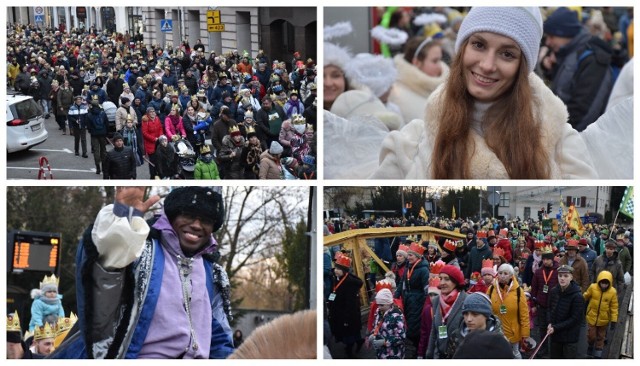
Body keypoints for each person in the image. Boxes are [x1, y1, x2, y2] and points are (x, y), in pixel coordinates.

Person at [370, 7, 597, 179]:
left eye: (507, 54)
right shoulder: (413, 141)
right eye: (479, 45)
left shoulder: (560, 141)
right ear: (462, 48)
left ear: (523, 67)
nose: (488, 65)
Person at [50, 187, 234, 358]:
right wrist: (122, 220)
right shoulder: (139, 252)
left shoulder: (213, 272)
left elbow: (218, 334)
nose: (196, 225)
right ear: (171, 216)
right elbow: (103, 281)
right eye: (189, 215)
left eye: (207, 220)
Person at [541, 7, 613, 131]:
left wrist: (556, 136)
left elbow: (585, 113)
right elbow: (564, 86)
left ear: (565, 33)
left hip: (574, 139)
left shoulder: (593, 60)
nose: (547, 42)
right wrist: (549, 68)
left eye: (551, 36)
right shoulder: (569, 52)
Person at [388, 35, 449, 122]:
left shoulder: (444, 88)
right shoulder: (398, 97)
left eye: (440, 59)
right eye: (434, 61)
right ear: (416, 62)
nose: (440, 67)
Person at [395, 242, 429, 358]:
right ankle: (417, 346)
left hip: (418, 301)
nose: (408, 257)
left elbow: (426, 289)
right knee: (410, 323)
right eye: (408, 255)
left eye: (411, 255)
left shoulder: (424, 270)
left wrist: (425, 304)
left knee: (415, 326)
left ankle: (419, 349)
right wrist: (396, 295)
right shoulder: (408, 267)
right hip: (408, 300)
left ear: (418, 257)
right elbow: (402, 282)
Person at [487, 264, 529, 358]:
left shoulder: (518, 291)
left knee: (514, 353)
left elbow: (524, 313)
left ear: (511, 275)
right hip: (495, 331)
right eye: (500, 273)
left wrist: (525, 333)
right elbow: (486, 308)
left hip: (512, 331)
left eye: (505, 273)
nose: (502, 275)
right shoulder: (492, 289)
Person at [327, 253, 364, 358]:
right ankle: (359, 341)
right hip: (339, 311)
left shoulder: (349, 283)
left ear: (344, 270)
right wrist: (330, 302)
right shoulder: (336, 278)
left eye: (338, 269)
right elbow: (334, 291)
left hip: (347, 314)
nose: (335, 270)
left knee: (348, 334)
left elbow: (351, 304)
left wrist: (347, 319)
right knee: (352, 333)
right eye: (335, 268)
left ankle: (350, 351)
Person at [426, 264, 467, 359]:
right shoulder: (436, 300)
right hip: (438, 355)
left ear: (456, 282)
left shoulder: (466, 300)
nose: (442, 283)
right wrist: (429, 354)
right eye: (441, 278)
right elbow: (434, 331)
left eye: (447, 279)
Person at [547, 265, 585, 359]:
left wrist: (555, 327)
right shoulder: (554, 291)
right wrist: (550, 323)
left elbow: (574, 319)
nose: (562, 278)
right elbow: (549, 309)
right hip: (556, 336)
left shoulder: (577, 296)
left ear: (571, 277)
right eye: (560, 276)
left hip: (569, 337)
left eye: (565, 276)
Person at [530, 245, 558, 358]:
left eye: (548, 259)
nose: (545, 261)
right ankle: (543, 349)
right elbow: (534, 289)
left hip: (554, 306)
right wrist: (534, 304)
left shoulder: (558, 271)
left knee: (553, 329)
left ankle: (554, 351)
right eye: (544, 259)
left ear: (552, 259)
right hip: (541, 305)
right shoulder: (538, 272)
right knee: (542, 328)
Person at [583, 270, 618, 359]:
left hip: (604, 319)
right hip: (592, 316)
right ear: (599, 281)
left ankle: (598, 351)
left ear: (609, 283)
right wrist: (579, 299)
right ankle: (590, 345)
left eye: (606, 284)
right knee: (591, 335)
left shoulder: (612, 292)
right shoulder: (592, 287)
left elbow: (614, 307)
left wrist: (614, 320)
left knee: (601, 336)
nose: (604, 285)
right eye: (602, 283)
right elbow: (586, 296)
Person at [366, 288, 406, 359]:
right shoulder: (379, 312)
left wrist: (384, 342)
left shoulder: (397, 316)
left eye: (382, 305)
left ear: (389, 303)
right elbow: (377, 325)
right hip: (381, 352)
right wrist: (373, 334)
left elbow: (401, 337)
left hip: (394, 354)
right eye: (378, 305)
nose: (379, 307)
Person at [86, 95, 109, 174]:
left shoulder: (89, 114)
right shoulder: (103, 113)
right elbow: (107, 123)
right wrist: (106, 132)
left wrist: (91, 131)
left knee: (96, 151)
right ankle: (104, 167)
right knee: (103, 150)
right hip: (102, 133)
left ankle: (98, 167)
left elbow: (88, 126)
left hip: (94, 134)